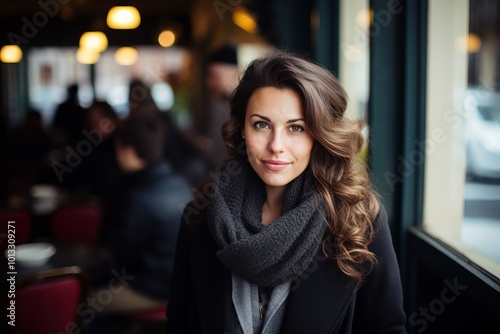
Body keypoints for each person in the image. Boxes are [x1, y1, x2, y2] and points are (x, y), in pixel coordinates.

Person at [166, 51, 407, 333]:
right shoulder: (202, 215)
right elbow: (180, 323)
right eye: (261, 125)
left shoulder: (357, 218)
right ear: (242, 129)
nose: (276, 145)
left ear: (319, 135)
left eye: (296, 128)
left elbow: (387, 328)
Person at [94, 114, 193, 316]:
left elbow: (124, 259)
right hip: (182, 286)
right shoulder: (181, 183)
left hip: (154, 290)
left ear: (128, 151)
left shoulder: (140, 198)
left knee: (83, 302)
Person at [198, 42, 240, 169]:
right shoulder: (217, 103)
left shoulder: (246, 104)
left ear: (232, 71)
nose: (209, 83)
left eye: (214, 76)